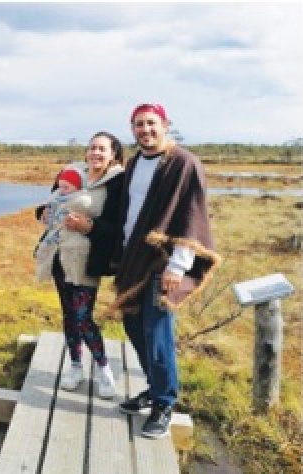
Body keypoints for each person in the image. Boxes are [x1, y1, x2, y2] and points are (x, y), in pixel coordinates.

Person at [110, 103, 221, 438]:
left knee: (157, 334)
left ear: (165, 124)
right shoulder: (134, 163)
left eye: (151, 123)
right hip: (135, 259)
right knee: (133, 326)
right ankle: (154, 388)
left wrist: (177, 265)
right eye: (138, 125)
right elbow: (127, 211)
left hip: (164, 263)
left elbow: (191, 215)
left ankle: (164, 403)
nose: (145, 130)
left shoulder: (184, 163)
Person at [35, 131, 125, 399]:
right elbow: (51, 200)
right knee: (68, 315)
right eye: (93, 148)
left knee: (83, 317)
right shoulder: (71, 172)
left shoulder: (118, 183)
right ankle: (75, 366)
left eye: (103, 150)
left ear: (113, 155)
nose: (96, 153)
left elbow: (119, 227)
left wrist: (90, 226)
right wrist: (43, 214)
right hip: (59, 255)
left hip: (86, 259)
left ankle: (103, 370)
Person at [33, 167, 84, 283]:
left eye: (66, 188)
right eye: (60, 187)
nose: (62, 190)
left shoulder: (79, 200)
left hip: (74, 248)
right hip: (55, 242)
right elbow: (44, 211)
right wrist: (44, 213)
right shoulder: (56, 197)